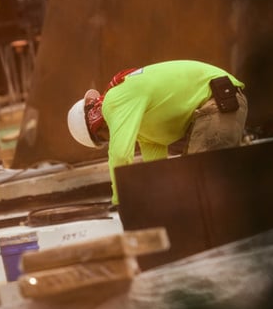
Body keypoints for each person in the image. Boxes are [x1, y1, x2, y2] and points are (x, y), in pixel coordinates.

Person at [66, 59, 248, 206]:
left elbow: (120, 156)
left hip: (218, 98)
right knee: (194, 187)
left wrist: (120, 201)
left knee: (201, 184)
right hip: (219, 101)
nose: (110, 138)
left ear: (96, 125)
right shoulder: (148, 133)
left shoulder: (113, 101)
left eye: (104, 139)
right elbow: (158, 172)